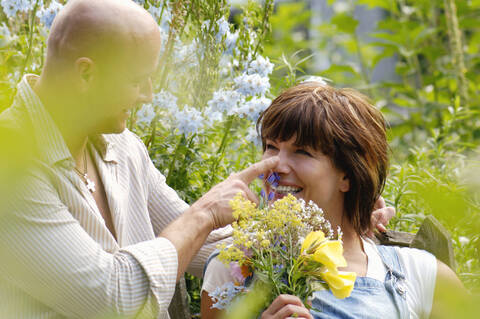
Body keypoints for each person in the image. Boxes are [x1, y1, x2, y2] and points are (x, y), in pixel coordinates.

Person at [0, 0, 280, 317]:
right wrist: (204, 213)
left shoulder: (124, 147)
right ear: (86, 73)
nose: (148, 94)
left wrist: (315, 238)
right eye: (136, 80)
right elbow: (114, 300)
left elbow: (209, 248)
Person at [200, 82, 464, 319]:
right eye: (271, 146)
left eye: (302, 152)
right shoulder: (233, 270)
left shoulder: (419, 275)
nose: (275, 165)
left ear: (347, 175)